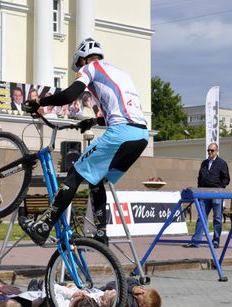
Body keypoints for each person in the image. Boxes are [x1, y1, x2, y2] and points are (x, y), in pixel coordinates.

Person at [20, 37, 149, 247]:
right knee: (96, 181)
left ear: (83, 59)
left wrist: (39, 102)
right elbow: (123, 109)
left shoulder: (91, 67)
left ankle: (43, 227)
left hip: (121, 133)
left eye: (78, 66)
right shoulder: (121, 73)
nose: (79, 70)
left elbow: (70, 95)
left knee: (74, 174)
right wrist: (92, 120)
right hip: (140, 136)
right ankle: (101, 235)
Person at [184, 142, 230, 248]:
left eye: (212, 150)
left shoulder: (222, 163)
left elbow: (226, 178)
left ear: (217, 151)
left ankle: (216, 241)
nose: (209, 152)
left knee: (217, 218)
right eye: (208, 150)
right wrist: (199, 189)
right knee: (201, 217)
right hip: (204, 194)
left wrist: (220, 188)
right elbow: (200, 177)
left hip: (216, 194)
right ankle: (196, 241)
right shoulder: (204, 163)